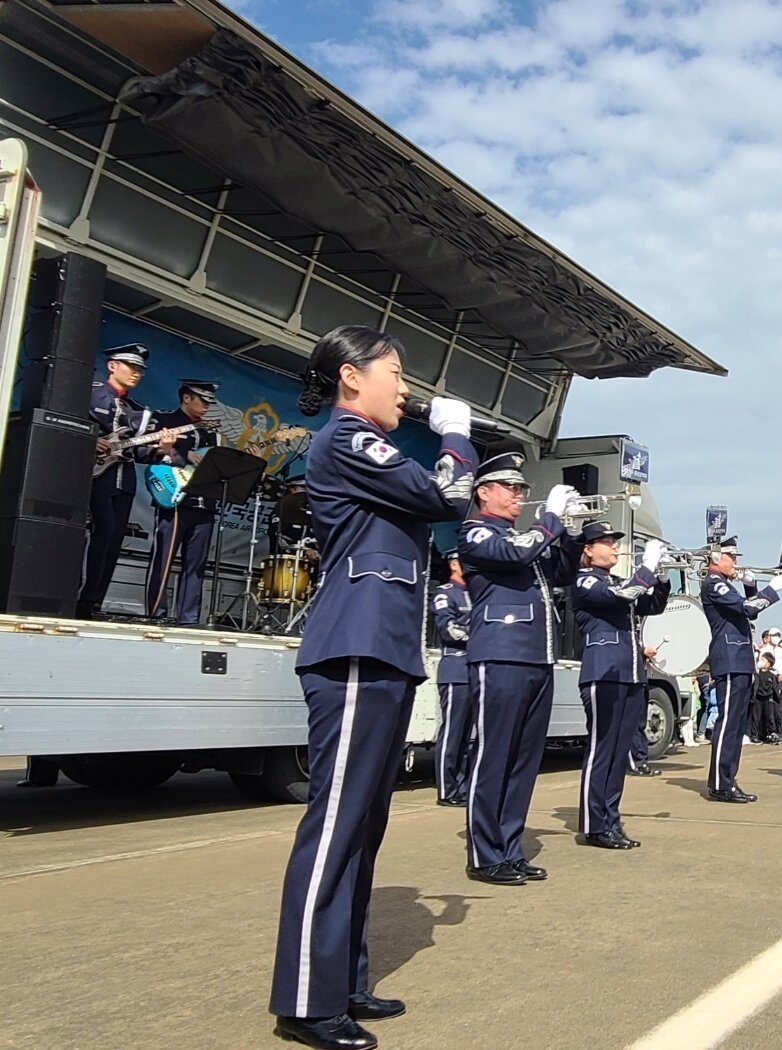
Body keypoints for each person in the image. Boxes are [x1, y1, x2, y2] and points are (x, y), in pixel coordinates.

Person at [268, 325, 476, 1049]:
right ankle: (304, 997)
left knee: (362, 823)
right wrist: (456, 441)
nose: (407, 388)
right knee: (334, 824)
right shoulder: (350, 438)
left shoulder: (366, 445)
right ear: (351, 378)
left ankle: (342, 978)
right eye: (396, 371)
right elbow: (444, 494)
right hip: (355, 643)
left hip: (382, 647)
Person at [457, 454, 583, 884]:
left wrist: (573, 532)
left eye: (522, 489)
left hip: (536, 656)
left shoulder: (527, 537)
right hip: (501, 653)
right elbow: (519, 551)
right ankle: (484, 852)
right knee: (494, 756)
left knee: (524, 762)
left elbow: (563, 571)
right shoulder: (477, 532)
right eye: (510, 488)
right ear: (483, 492)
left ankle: (510, 848)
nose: (519, 495)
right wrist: (549, 516)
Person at [572, 521, 669, 849]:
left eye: (615, 541)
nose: (614, 546)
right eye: (606, 542)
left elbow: (651, 605)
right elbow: (628, 593)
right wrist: (646, 567)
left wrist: (663, 575)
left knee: (617, 754)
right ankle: (593, 823)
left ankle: (610, 820)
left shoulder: (616, 581)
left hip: (629, 674)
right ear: (588, 549)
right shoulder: (585, 580)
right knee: (602, 750)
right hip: (603, 673)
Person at [79, 343, 178, 620]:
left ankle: (93, 601)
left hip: (123, 477)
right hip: (89, 473)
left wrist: (163, 448)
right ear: (113, 365)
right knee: (96, 529)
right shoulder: (90, 392)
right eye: (132, 367)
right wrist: (91, 440)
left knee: (112, 537)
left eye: (140, 370)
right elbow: (69, 424)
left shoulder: (139, 411)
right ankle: (77, 594)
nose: (137, 374)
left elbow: (140, 451)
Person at [701, 536, 782, 803]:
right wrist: (771, 590)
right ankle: (720, 783)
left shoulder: (726, 585)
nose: (736, 563)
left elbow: (750, 610)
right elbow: (748, 610)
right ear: (716, 558)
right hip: (728, 657)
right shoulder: (714, 584)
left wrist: (751, 586)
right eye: (732, 557)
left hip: (739, 658)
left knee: (736, 724)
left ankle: (727, 779)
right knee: (728, 724)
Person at [143, 379, 226, 624]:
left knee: (197, 566)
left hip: (205, 502)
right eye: (203, 400)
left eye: (211, 402)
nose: (207, 407)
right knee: (163, 560)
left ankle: (188, 618)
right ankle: (155, 613)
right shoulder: (165, 421)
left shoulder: (211, 431)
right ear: (187, 397)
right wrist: (180, 454)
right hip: (173, 498)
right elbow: (147, 453)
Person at [431, 554, 471, 807]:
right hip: (456, 669)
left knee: (469, 735)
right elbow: (449, 629)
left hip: (477, 669)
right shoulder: (445, 593)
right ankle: (447, 789)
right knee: (454, 732)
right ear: (454, 564)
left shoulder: (479, 592)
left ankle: (463, 785)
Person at [751, 653, 781, 745]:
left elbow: (775, 688)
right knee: (756, 718)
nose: (761, 661)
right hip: (757, 698)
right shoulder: (756, 674)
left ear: (768, 664)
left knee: (770, 717)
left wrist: (776, 699)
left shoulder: (771, 675)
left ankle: (772, 734)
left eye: (763, 660)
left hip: (768, 698)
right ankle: (754, 735)